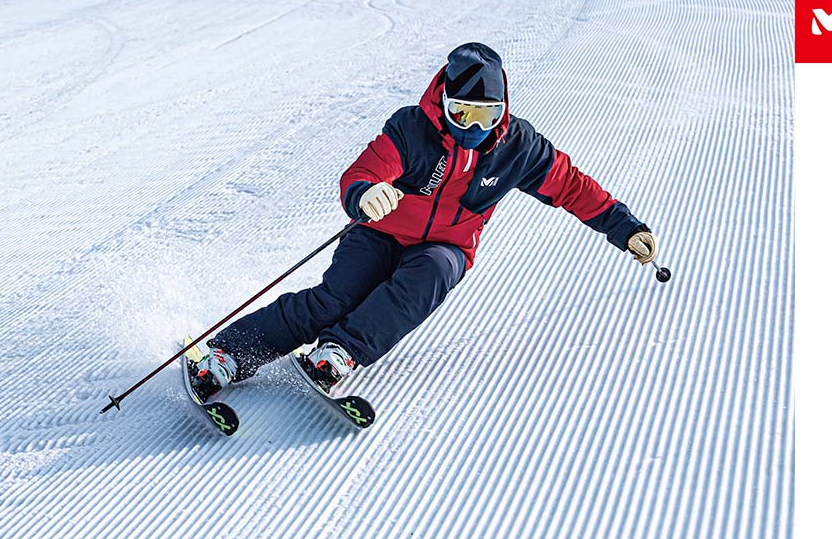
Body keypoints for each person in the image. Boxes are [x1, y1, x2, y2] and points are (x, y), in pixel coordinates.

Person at [188, 42, 658, 398]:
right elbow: (365, 171)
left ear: (503, 110)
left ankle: (339, 353)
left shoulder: (517, 146)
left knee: (428, 276)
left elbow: (572, 187)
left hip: (445, 246)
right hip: (380, 232)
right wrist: (366, 194)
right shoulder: (413, 128)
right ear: (443, 100)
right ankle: (229, 354)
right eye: (461, 112)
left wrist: (626, 228)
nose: (472, 127)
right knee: (335, 297)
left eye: (485, 116)